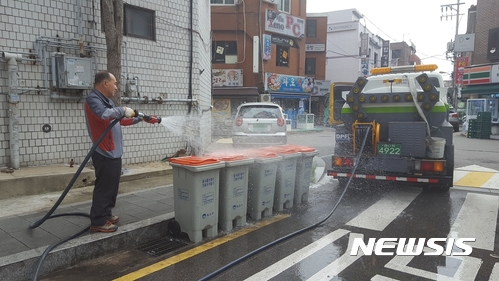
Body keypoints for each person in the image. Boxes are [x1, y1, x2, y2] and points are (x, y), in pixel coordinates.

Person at [84, 70, 158, 232]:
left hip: (113, 152)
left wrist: (141, 118)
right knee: (104, 188)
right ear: (105, 83)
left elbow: (121, 121)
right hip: (104, 151)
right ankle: (98, 221)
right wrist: (122, 109)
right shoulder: (93, 100)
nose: (116, 87)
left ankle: (106, 214)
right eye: (115, 83)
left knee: (112, 186)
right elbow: (104, 115)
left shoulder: (107, 101)